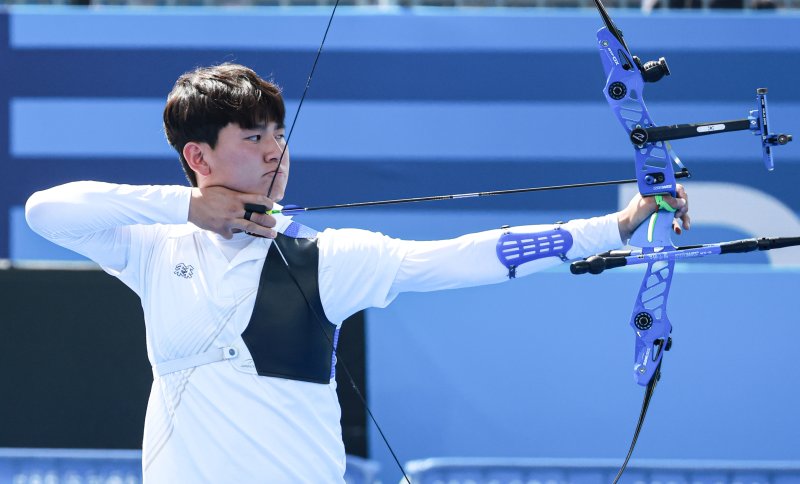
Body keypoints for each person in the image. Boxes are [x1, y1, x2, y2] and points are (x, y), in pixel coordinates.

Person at [25, 63, 690, 483]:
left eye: (278, 133)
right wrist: (190, 207)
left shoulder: (328, 257)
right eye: (253, 137)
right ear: (198, 155)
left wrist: (618, 225)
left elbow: (465, 256)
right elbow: (46, 211)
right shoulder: (153, 247)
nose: (276, 150)